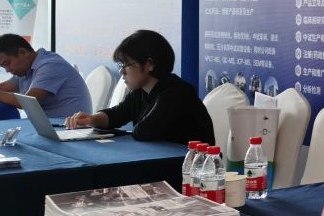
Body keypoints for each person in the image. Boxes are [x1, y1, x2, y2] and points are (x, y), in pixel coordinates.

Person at [66, 29, 215, 145]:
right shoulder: (141, 91)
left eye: (126, 65)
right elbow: (116, 115)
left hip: (189, 168)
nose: (122, 72)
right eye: (120, 65)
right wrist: (91, 119)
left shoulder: (177, 93)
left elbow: (144, 132)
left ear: (149, 64)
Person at [0, 33, 92, 116]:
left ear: (23, 53)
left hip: (71, 128)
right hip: (50, 127)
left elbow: (29, 102)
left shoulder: (51, 65)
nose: (7, 70)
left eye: (7, 64)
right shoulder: (25, 70)